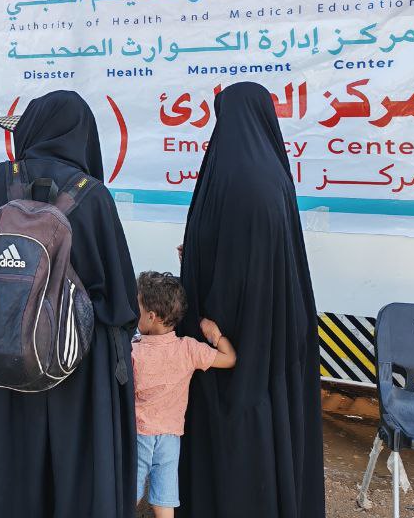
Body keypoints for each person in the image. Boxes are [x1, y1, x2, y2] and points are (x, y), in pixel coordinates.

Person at [0, 90, 139, 518]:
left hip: (10, 347)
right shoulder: (92, 195)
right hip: (78, 361)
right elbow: (118, 297)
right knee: (78, 470)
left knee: (16, 466)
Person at [176, 81, 324, 518]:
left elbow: (231, 268)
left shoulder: (230, 176)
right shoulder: (272, 175)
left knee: (237, 423)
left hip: (228, 335)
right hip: (272, 329)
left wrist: (204, 297)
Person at [132, 271, 235, 518]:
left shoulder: (133, 352)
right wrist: (215, 334)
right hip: (171, 437)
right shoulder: (188, 349)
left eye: (138, 308)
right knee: (164, 499)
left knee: (129, 494)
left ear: (151, 316)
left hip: (139, 434)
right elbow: (230, 359)